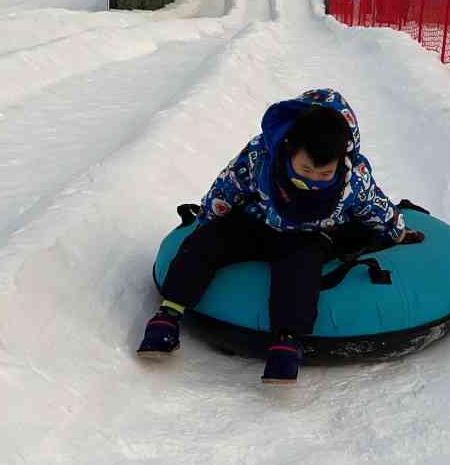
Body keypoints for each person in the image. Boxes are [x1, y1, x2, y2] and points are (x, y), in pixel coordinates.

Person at [137, 90, 425, 383]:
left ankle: (286, 342)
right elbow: (228, 185)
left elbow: (375, 206)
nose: (312, 180)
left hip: (308, 236)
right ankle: (168, 315)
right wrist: (208, 219)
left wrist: (397, 232)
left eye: (324, 174)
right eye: (305, 170)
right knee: (207, 242)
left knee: (301, 269)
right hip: (257, 222)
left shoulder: (354, 178)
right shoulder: (262, 157)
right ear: (289, 150)